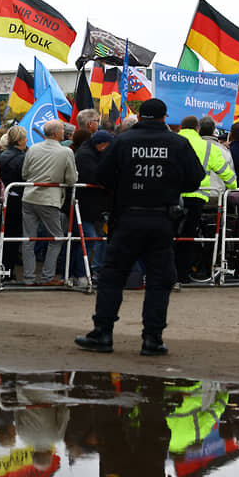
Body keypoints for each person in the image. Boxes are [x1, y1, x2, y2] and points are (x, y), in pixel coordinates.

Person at [75, 98, 205, 356]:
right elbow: (195, 179)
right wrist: (169, 184)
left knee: (112, 277)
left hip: (127, 217)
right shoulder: (178, 143)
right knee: (159, 280)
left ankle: (103, 333)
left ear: (141, 117)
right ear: (164, 118)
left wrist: (125, 185)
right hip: (162, 219)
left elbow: (102, 176)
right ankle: (152, 338)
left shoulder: (122, 141)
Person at [176, 115, 236, 284]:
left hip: (174, 196)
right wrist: (233, 186)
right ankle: (183, 275)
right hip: (198, 196)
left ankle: (168, 272)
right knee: (189, 237)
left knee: (171, 235)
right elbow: (226, 172)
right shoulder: (207, 147)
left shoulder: (173, 141)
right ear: (197, 129)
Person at [20, 121, 77, 286]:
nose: (63, 131)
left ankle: (29, 278)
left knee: (28, 239)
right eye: (62, 129)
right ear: (57, 133)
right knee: (57, 238)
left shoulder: (33, 148)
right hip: (49, 200)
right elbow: (71, 179)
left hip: (29, 197)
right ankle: (47, 277)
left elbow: (24, 173)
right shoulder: (66, 152)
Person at [73, 130, 112, 279]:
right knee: (88, 240)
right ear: (101, 144)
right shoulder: (85, 155)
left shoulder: (91, 153)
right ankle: (82, 275)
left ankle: (86, 273)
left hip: (94, 206)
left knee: (92, 240)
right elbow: (96, 177)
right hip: (86, 206)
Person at [0, 125, 28, 280]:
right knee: (13, 238)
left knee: (1, 235)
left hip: (1, 198)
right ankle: (7, 272)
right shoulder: (22, 158)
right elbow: (26, 176)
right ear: (21, 140)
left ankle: (0, 270)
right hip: (17, 199)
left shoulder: (0, 155)